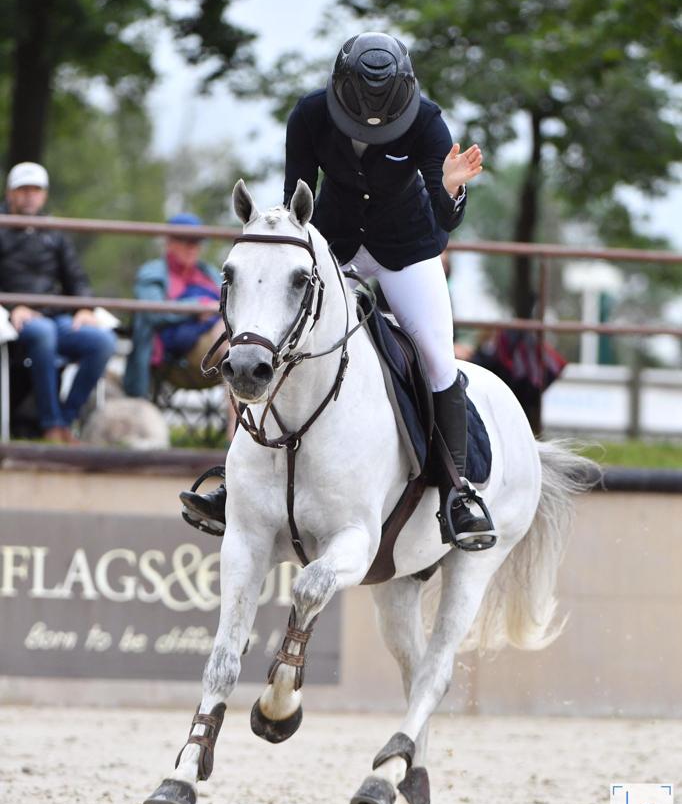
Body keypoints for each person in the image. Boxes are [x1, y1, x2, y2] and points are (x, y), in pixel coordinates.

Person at [181, 32, 496, 550]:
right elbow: (294, 202)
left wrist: (452, 185)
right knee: (273, 345)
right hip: (334, 246)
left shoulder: (427, 121)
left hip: (407, 248)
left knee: (439, 360)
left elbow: (446, 217)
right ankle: (234, 484)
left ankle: (457, 495)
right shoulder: (309, 116)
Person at [0, 161, 117, 443]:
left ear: (44, 195)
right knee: (43, 333)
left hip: (55, 316)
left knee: (102, 342)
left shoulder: (55, 233)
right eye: (23, 189)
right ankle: (50, 423)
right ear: (9, 194)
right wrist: (13, 305)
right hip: (13, 319)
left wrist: (85, 308)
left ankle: (65, 419)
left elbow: (76, 277)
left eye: (36, 190)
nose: (30, 196)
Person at [123, 214, 225, 399]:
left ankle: (242, 423)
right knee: (232, 339)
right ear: (169, 242)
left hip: (215, 347)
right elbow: (154, 312)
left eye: (197, 242)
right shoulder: (152, 272)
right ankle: (238, 426)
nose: (192, 248)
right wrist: (200, 307)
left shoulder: (209, 272)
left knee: (238, 339)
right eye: (185, 241)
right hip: (176, 358)